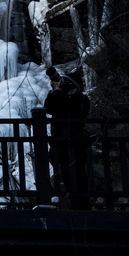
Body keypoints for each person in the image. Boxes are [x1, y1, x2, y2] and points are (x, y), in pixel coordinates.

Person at [44, 66, 91, 207]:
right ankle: (74, 203)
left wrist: (58, 92)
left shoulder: (81, 99)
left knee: (78, 176)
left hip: (72, 143)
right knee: (68, 175)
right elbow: (49, 107)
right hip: (63, 143)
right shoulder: (62, 97)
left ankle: (80, 206)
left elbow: (52, 107)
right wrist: (57, 91)